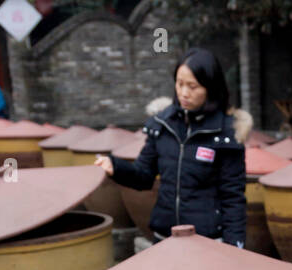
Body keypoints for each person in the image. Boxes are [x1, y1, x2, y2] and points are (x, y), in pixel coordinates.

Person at [93, 48, 251, 247]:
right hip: (165, 238)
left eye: (192, 86)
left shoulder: (227, 133)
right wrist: (115, 167)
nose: (184, 93)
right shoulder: (163, 125)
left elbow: (233, 198)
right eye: (180, 83)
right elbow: (143, 176)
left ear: (210, 87)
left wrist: (234, 246)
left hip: (207, 241)